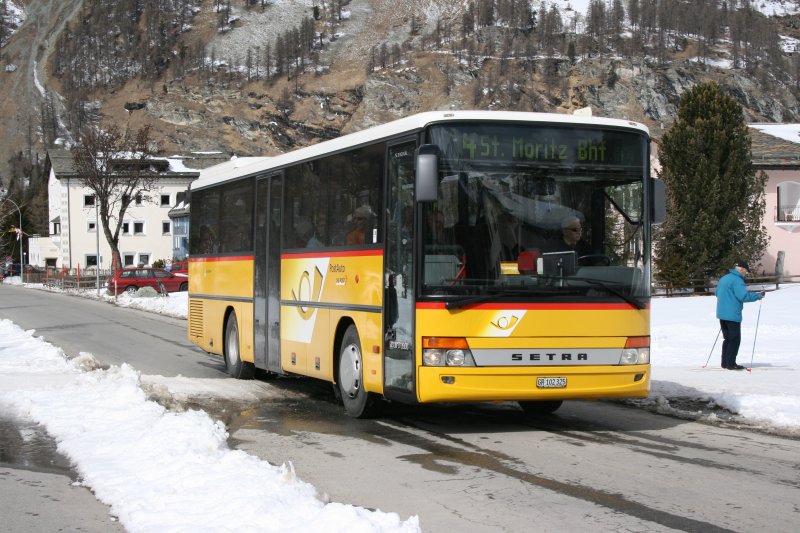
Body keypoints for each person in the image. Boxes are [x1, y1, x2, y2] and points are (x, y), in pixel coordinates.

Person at [715, 260, 765, 370]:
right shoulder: (737, 281)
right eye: (746, 271)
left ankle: (725, 363)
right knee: (734, 339)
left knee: (727, 339)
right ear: (742, 269)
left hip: (722, 314)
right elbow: (744, 296)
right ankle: (731, 364)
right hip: (732, 315)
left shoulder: (724, 278)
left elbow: (717, 293)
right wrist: (758, 296)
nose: (746, 273)